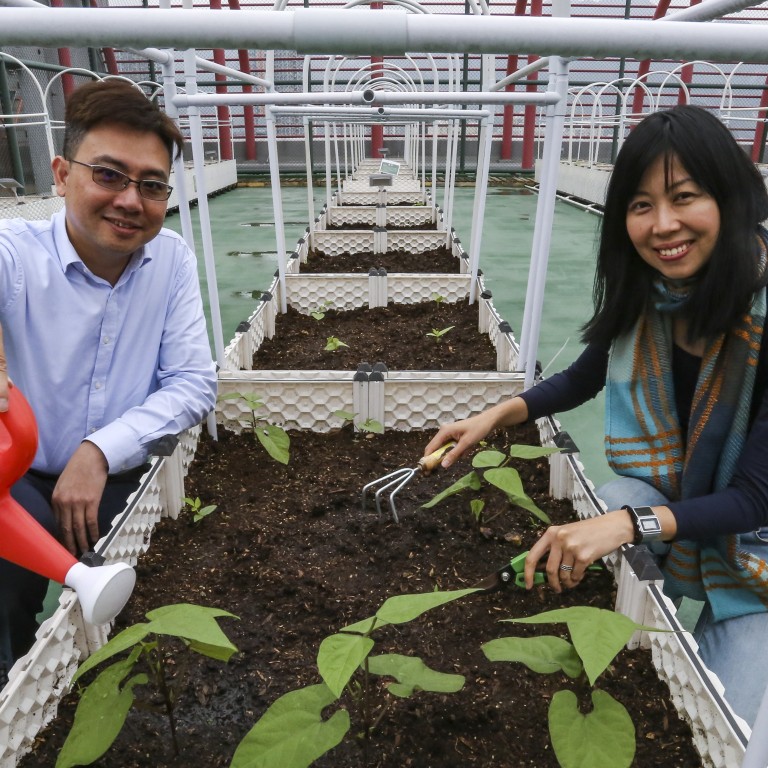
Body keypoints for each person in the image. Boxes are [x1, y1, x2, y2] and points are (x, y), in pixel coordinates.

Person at [424, 104, 768, 727]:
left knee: (731, 723)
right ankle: (644, 611)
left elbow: (754, 499)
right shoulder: (651, 293)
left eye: (684, 197)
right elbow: (587, 374)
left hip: (759, 540)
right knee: (619, 495)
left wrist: (627, 526)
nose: (663, 225)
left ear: (732, 198)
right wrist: (496, 416)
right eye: (641, 205)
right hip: (696, 497)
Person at [0, 79, 217, 680]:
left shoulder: (169, 259)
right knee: (7, 598)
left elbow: (193, 382)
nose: (130, 200)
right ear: (62, 174)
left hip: (118, 476)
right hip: (15, 481)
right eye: (108, 174)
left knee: (144, 602)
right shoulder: (17, 254)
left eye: (150, 185)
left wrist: (99, 451)